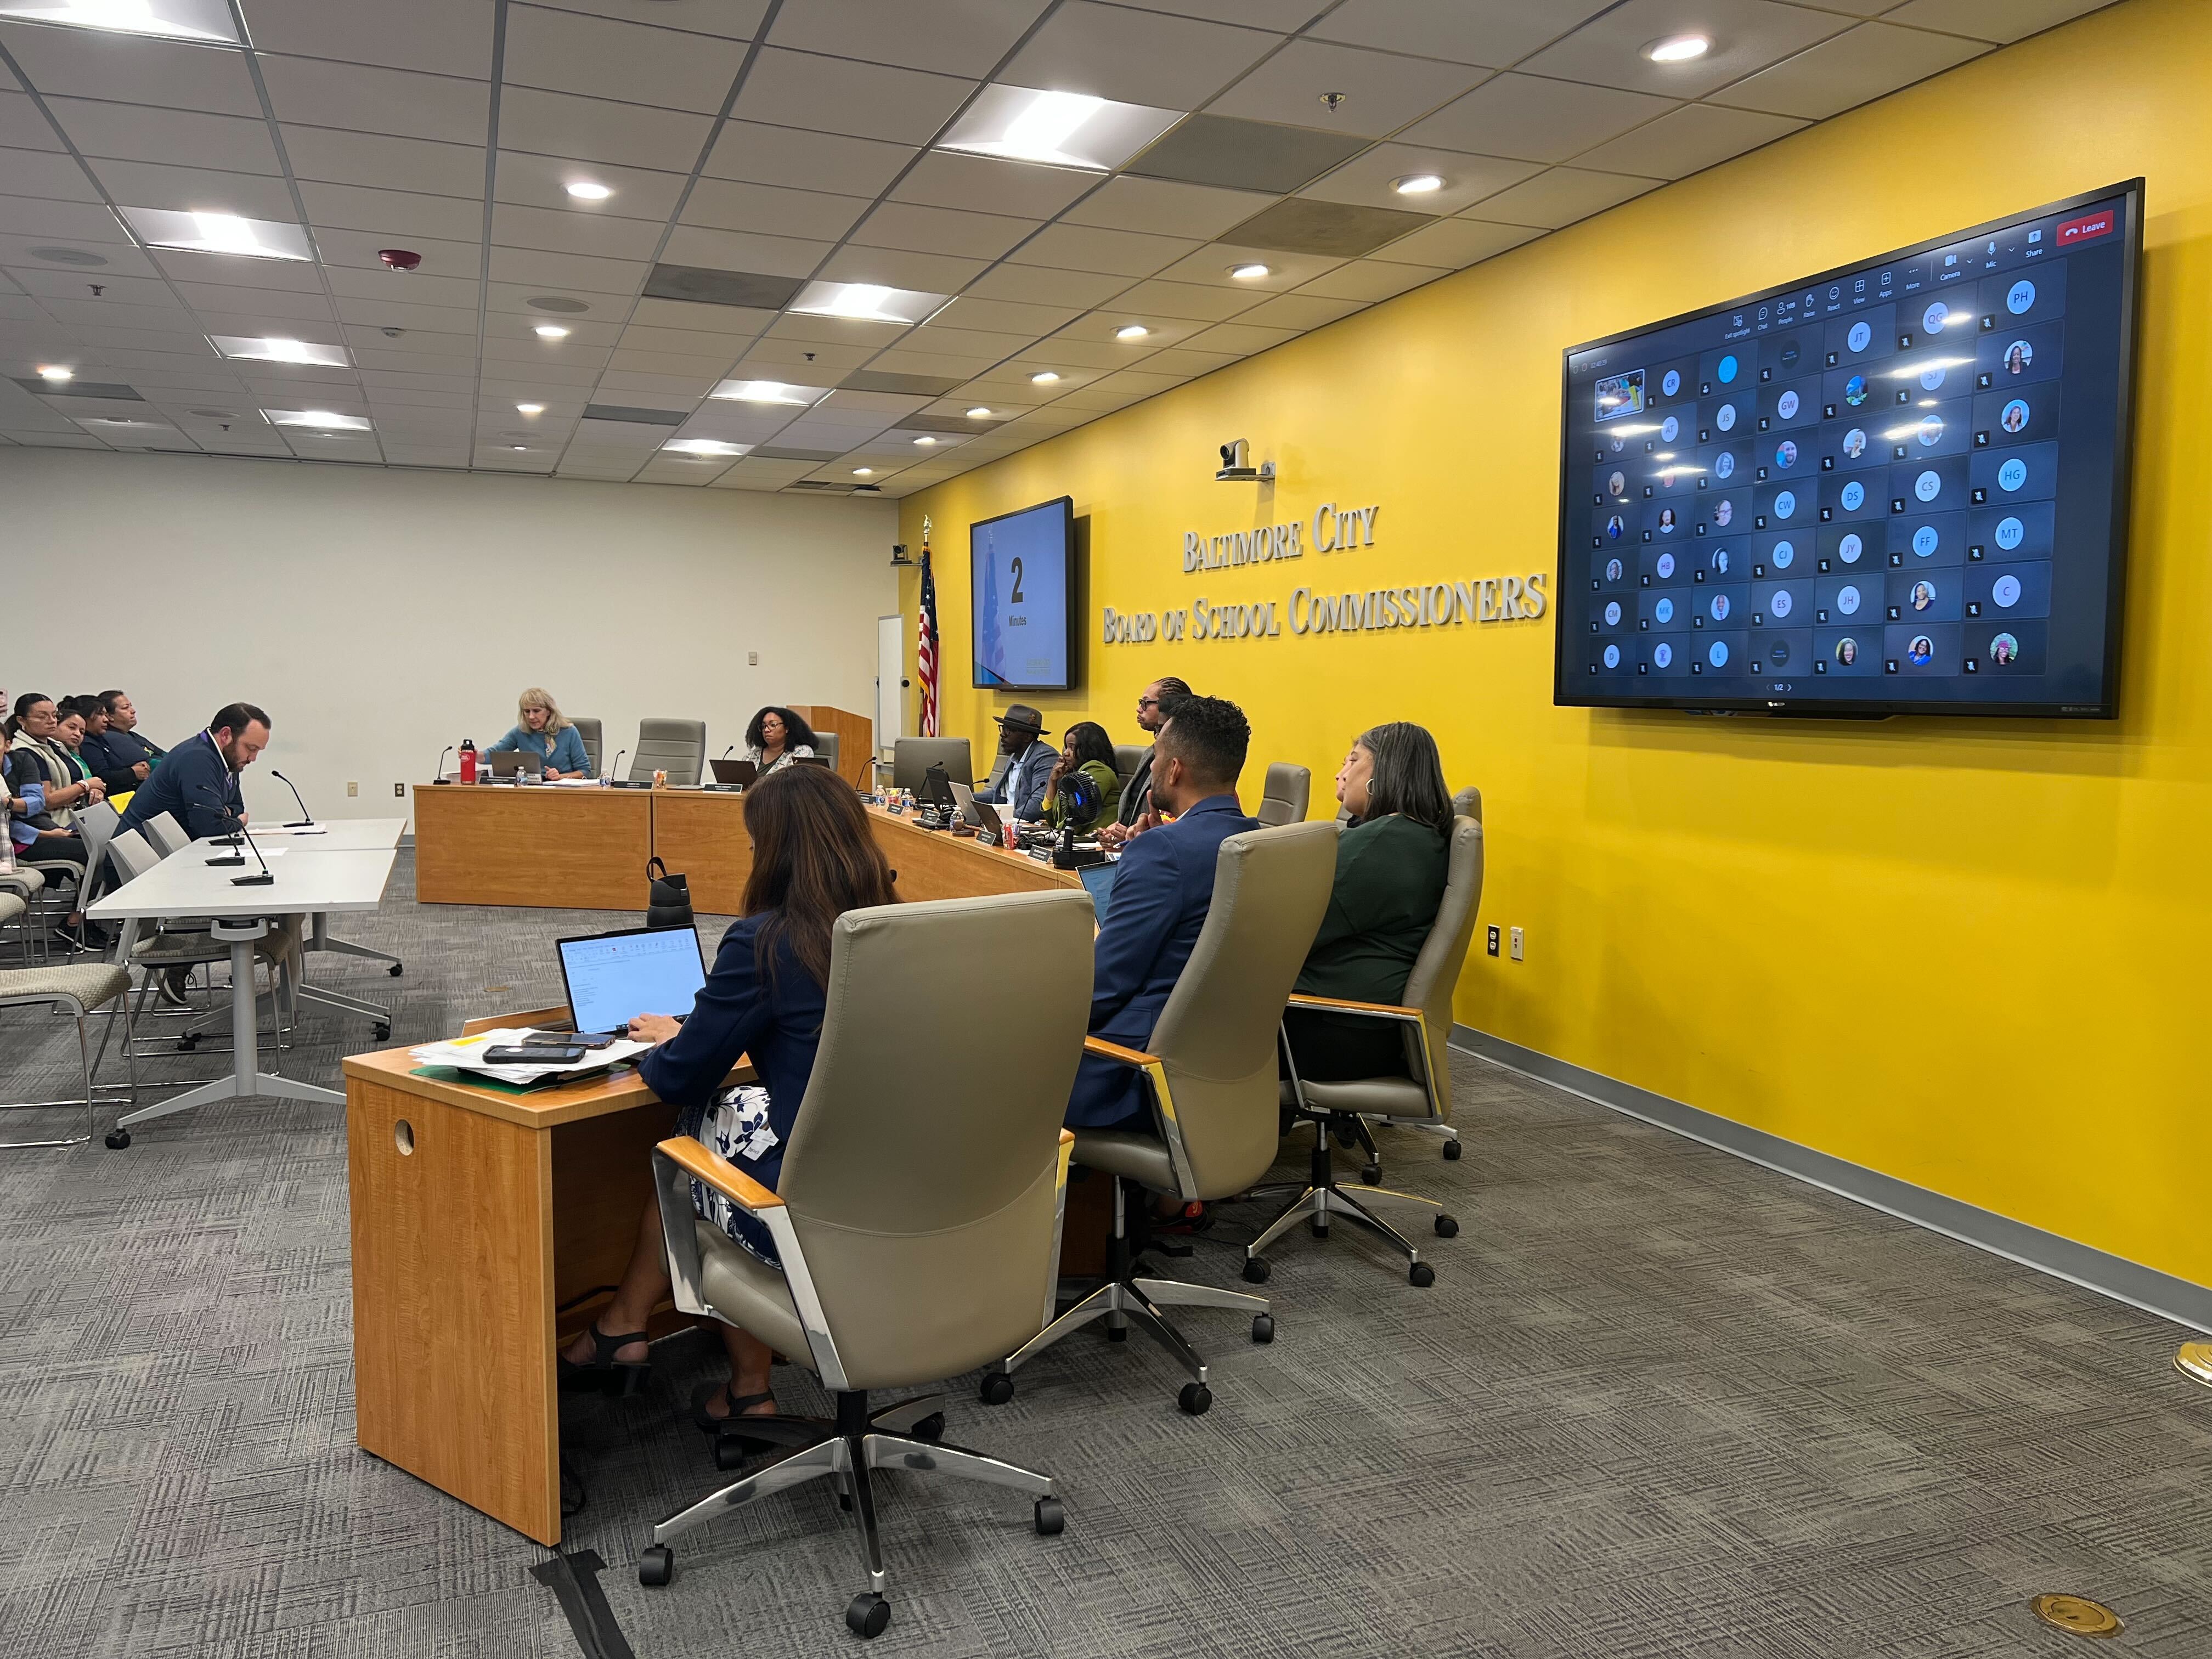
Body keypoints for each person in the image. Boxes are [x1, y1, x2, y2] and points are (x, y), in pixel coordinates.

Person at [556, 765, 899, 1432]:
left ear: (773, 851)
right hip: (910, 1195)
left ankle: (648, 1338)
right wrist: (700, 1026)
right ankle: (693, 1361)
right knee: (731, 1127)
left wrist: (673, 1040)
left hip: (818, 1218)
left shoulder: (768, 940)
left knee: (693, 1143)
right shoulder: (894, 928)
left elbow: (678, 1078)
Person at [1066, 695, 1257, 1133]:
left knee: (996, 1046)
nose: (1150, 768)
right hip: (1221, 1052)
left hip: (1136, 1068)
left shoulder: (1164, 852)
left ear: (1174, 770)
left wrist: (1040, 1018)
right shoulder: (1255, 839)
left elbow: (1106, 986)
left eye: (1157, 758)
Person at [1282, 725, 1455, 1084]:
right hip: (1366, 1027)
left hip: (1331, 1030)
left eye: (1353, 760)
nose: (1340, 772)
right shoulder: (1417, 835)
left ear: (1384, 771)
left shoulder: (1378, 846)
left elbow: (1286, 932)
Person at [0, 713, 99, 947]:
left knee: (104, 846)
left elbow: (36, 802)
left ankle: (90, 918)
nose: (52, 720)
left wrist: (12, 804)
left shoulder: (22, 760)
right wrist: (44, 833)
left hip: (40, 828)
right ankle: (76, 923)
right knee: (91, 852)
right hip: (21, 841)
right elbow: (10, 823)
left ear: (7, 744)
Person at [117, 702, 268, 843]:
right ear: (226, 735)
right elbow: (208, 826)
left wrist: (228, 815)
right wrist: (239, 822)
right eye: (251, 748)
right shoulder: (198, 758)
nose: (253, 758)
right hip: (140, 862)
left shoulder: (229, 759)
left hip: (170, 851)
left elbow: (237, 807)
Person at [1097, 675, 1192, 849]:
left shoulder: (1185, 761)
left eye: (1146, 703)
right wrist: (1116, 831)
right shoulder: (1150, 752)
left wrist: (1134, 836)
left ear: (1168, 708)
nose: (1138, 709)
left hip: (1157, 848)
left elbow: (1174, 822)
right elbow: (1132, 810)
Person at [486, 687, 590, 778]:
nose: (531, 717)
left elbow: (585, 771)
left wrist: (560, 777)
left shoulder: (569, 732)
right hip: (532, 788)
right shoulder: (520, 732)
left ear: (549, 711)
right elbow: (495, 753)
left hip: (562, 791)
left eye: (536, 711)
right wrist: (476, 755)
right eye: (527, 712)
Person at [1041, 721, 1122, 834]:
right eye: (1066, 747)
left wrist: (1055, 836)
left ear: (1089, 748)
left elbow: (1077, 818)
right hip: (1073, 840)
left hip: (1094, 843)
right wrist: (1053, 781)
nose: (1066, 753)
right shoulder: (1074, 775)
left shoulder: (1098, 770)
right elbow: (1052, 820)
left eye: (1072, 748)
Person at [977, 703, 1056, 820]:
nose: (1002, 734)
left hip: (1025, 828)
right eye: (1003, 728)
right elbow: (997, 794)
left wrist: (1003, 819)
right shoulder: (1014, 757)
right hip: (1008, 824)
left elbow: (1037, 805)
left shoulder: (1045, 757)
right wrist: (965, 799)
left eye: (1009, 730)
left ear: (1027, 737)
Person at [83, 690, 165, 780]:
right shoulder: (111, 738)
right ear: (110, 716)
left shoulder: (132, 735)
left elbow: (165, 755)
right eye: (125, 708)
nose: (133, 711)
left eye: (131, 706)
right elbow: (151, 765)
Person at [742, 706, 816, 779]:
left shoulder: (801, 752)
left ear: (787, 728)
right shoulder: (754, 754)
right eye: (763, 726)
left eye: (773, 725)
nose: (766, 730)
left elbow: (800, 784)